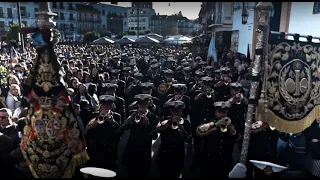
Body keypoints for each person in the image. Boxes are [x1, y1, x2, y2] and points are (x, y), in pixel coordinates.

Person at [196, 101, 239, 178]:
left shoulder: (232, 123)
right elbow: (199, 131)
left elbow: (238, 138)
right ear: (216, 112)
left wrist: (232, 131)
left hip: (225, 159)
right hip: (209, 160)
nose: (222, 115)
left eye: (224, 113)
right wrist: (216, 126)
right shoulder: (209, 121)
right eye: (220, 112)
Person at [120, 94, 158, 178]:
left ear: (148, 104)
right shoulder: (132, 114)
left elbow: (155, 136)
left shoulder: (153, 117)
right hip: (132, 150)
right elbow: (121, 130)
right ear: (137, 105)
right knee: (130, 173)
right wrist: (129, 121)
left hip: (144, 151)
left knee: (143, 173)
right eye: (140, 104)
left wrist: (148, 125)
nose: (142, 107)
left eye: (144, 105)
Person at [156, 100, 192, 178]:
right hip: (165, 154)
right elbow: (157, 130)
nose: (176, 114)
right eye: (174, 112)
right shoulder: (164, 120)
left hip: (178, 155)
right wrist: (168, 123)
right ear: (170, 111)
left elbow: (189, 140)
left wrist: (182, 130)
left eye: (178, 112)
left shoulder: (186, 123)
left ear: (181, 112)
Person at [86, 95, 122, 171]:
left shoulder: (116, 116)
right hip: (97, 150)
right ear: (101, 105)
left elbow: (119, 133)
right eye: (104, 105)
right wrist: (97, 120)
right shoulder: (94, 115)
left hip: (110, 150)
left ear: (111, 106)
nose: (106, 107)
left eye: (108, 105)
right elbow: (89, 132)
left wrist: (113, 123)